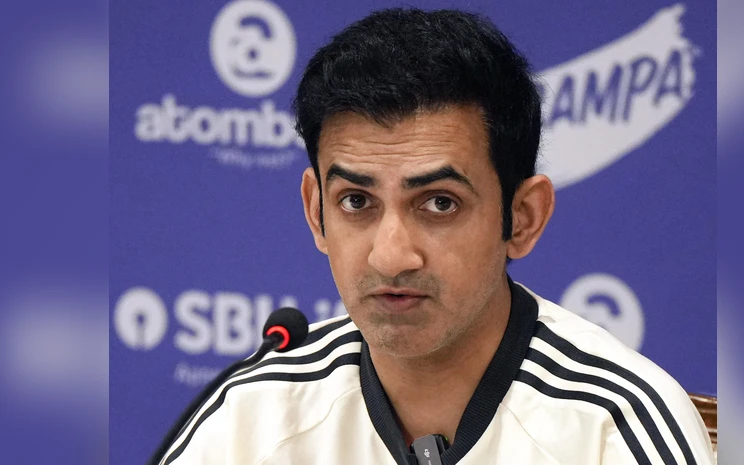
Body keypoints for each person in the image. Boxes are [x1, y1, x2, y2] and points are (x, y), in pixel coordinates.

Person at [156, 8, 714, 465]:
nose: (391, 256)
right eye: (356, 202)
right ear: (315, 211)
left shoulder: (615, 430)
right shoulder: (251, 415)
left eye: (439, 203)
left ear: (522, 218)